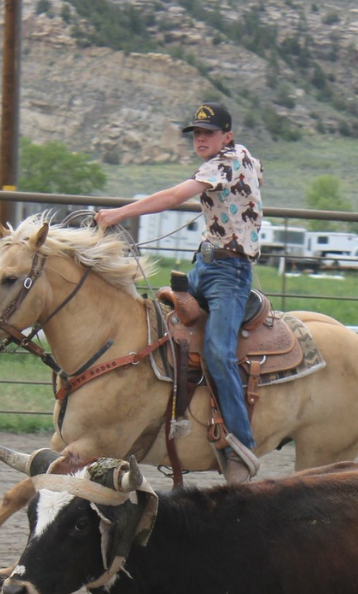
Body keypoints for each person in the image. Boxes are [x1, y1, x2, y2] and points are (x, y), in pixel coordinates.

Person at [94, 101, 264, 484]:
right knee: (161, 325)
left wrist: (117, 214)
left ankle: (241, 445)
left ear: (227, 135)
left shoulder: (222, 164)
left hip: (229, 272)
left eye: (208, 133)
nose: (201, 139)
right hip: (207, 265)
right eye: (196, 133)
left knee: (219, 352)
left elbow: (173, 197)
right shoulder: (245, 159)